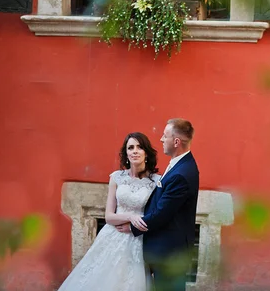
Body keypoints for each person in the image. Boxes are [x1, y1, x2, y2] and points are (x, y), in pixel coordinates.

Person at [58, 132, 161, 291]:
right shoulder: (116, 178)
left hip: (138, 239)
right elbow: (108, 216)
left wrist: (136, 223)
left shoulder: (156, 181)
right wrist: (130, 216)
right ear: (126, 153)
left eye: (139, 147)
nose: (134, 151)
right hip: (113, 236)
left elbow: (157, 215)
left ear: (146, 152)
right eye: (130, 147)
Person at [117, 118, 200, 291]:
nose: (161, 139)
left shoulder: (182, 173)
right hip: (162, 247)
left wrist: (133, 228)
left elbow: (162, 213)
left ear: (176, 141)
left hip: (170, 253)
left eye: (165, 136)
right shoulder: (179, 164)